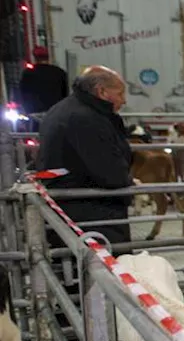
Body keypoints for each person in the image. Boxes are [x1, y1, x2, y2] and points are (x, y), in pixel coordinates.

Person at [33, 65, 135, 249]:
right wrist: (127, 180)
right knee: (101, 272)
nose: (124, 100)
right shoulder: (87, 119)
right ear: (102, 91)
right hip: (93, 215)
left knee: (72, 270)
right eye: (120, 94)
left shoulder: (62, 109)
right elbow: (110, 173)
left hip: (69, 209)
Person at [17, 46, 69, 119]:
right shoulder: (59, 72)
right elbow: (65, 93)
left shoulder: (28, 73)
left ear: (35, 57)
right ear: (48, 57)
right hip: (55, 112)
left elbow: (23, 92)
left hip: (34, 111)